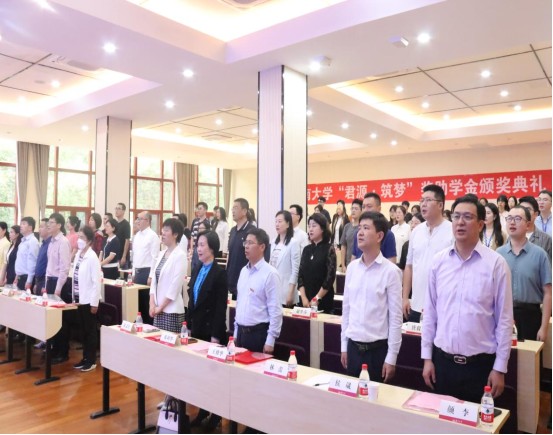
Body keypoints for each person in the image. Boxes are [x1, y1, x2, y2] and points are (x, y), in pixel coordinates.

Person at [422, 195, 513, 404]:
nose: (460, 222)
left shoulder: (496, 264)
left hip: (480, 367)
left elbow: (504, 320)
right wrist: (427, 358)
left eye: (467, 217)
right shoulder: (439, 262)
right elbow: (430, 313)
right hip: (442, 364)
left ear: (480, 224)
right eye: (456, 216)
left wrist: (500, 368)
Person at [341, 211, 403, 383]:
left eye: (366, 228)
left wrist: (391, 357)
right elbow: (346, 310)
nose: (360, 233)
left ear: (379, 236)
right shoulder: (352, 268)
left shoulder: (391, 272)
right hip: (353, 348)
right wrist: (344, 346)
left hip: (377, 351)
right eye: (359, 228)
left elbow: (396, 318)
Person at [187, 230, 228, 432]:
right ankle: (203, 411)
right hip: (196, 329)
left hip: (211, 332)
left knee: (214, 377)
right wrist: (187, 326)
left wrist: (216, 336)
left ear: (212, 247)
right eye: (197, 245)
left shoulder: (220, 273)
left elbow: (221, 308)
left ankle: (216, 415)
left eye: (202, 245)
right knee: (200, 375)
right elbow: (191, 300)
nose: (198, 249)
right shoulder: (197, 269)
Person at [497, 206, 552, 342]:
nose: (512, 222)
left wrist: (544, 327)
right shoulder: (498, 254)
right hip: (504, 315)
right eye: (509, 218)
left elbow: (548, 293)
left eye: (517, 219)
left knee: (530, 355)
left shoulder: (540, 255)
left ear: (528, 225)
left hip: (531, 317)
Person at [403, 185, 454, 323]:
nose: (423, 204)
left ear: (440, 205)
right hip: (416, 305)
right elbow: (409, 266)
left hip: (443, 306)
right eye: (422, 200)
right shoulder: (416, 231)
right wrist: (405, 297)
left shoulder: (452, 230)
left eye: (428, 200)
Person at [234, 227, 283, 354]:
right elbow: (239, 303)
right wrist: (235, 332)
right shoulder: (243, 271)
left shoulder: (270, 274)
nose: (246, 246)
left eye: (250, 243)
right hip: (240, 333)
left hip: (257, 335)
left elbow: (275, 310)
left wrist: (270, 340)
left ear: (262, 247)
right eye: (245, 243)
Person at [72, 226, 102, 372]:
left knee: (90, 331)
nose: (79, 240)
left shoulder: (92, 257)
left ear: (89, 241)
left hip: (89, 300)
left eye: (82, 238)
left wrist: (94, 303)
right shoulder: (79, 254)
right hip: (79, 298)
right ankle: (84, 358)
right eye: (79, 237)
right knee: (82, 330)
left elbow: (96, 282)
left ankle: (91, 360)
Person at [149, 219, 187, 333]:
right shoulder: (161, 254)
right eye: (163, 230)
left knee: (170, 342)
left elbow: (175, 287)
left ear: (175, 234)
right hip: (157, 309)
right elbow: (154, 281)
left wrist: (161, 307)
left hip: (172, 310)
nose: (163, 233)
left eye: (167, 230)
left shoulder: (180, 255)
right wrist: (152, 304)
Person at [297, 213, 336, 314]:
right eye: (309, 226)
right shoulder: (306, 249)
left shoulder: (329, 249)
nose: (310, 229)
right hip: (306, 300)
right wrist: (304, 298)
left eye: (314, 226)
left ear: (322, 228)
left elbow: (330, 278)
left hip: (323, 300)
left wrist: (317, 298)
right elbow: (300, 275)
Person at [47, 213, 72, 364]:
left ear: (59, 225)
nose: (48, 225)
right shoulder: (51, 241)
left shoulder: (63, 242)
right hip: (50, 282)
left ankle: (63, 352)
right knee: (52, 318)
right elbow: (49, 266)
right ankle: (54, 348)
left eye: (51, 222)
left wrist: (58, 288)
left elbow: (64, 268)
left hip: (59, 284)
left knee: (61, 320)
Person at [351, 193, 398, 264]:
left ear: (379, 209)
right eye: (363, 207)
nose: (365, 210)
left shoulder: (387, 235)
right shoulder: (358, 233)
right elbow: (354, 257)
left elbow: (391, 263)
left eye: (369, 206)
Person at [270, 211, 301, 308]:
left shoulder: (293, 243)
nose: (277, 224)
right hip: (273, 290)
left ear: (288, 224)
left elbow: (295, 271)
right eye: (276, 221)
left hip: (286, 292)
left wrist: (290, 293)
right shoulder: (274, 242)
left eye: (280, 221)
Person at [227, 198, 253, 300]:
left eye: (236, 208)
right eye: (232, 208)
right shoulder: (233, 230)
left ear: (244, 211)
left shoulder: (251, 231)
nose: (233, 211)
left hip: (244, 280)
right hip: (230, 279)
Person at [519, 195, 552, 265]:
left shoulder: (546, 239)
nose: (523, 212)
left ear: (536, 214)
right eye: (521, 209)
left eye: (528, 209)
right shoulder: (512, 237)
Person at [132, 211, 160, 285]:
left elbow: (155, 257)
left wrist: (151, 276)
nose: (138, 221)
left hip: (147, 272)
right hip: (137, 271)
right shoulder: (137, 236)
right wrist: (133, 273)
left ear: (147, 221)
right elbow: (135, 256)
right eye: (137, 219)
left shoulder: (153, 236)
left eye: (140, 219)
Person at [13, 217, 40, 291]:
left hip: (27, 278)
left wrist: (29, 281)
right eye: (21, 224)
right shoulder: (23, 241)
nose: (21, 226)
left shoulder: (33, 241)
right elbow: (20, 261)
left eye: (23, 224)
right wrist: (16, 277)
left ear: (30, 227)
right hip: (20, 277)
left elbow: (33, 262)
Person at [340, 199, 363, 272]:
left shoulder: (363, 227)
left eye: (356, 209)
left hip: (361, 264)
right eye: (352, 208)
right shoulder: (347, 227)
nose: (353, 211)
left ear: (361, 211)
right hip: (348, 264)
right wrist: (343, 265)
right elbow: (343, 246)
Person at [33, 219, 51, 295]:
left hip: (45, 281)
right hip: (38, 280)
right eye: (39, 227)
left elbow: (49, 265)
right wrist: (36, 283)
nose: (39, 229)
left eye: (41, 227)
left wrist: (44, 285)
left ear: (48, 228)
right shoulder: (43, 244)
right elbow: (39, 264)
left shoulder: (51, 244)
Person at [114, 203, 131, 268]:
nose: (116, 210)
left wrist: (124, 256)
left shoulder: (126, 224)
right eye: (116, 208)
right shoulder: (115, 224)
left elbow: (127, 240)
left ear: (123, 211)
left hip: (122, 256)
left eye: (119, 209)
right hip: (115, 255)